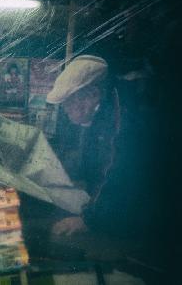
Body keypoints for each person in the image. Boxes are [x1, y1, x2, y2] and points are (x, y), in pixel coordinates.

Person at [45, 55, 121, 236]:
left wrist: (89, 220)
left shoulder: (119, 120)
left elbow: (117, 175)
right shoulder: (98, 116)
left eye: (69, 101)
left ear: (92, 96)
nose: (65, 108)